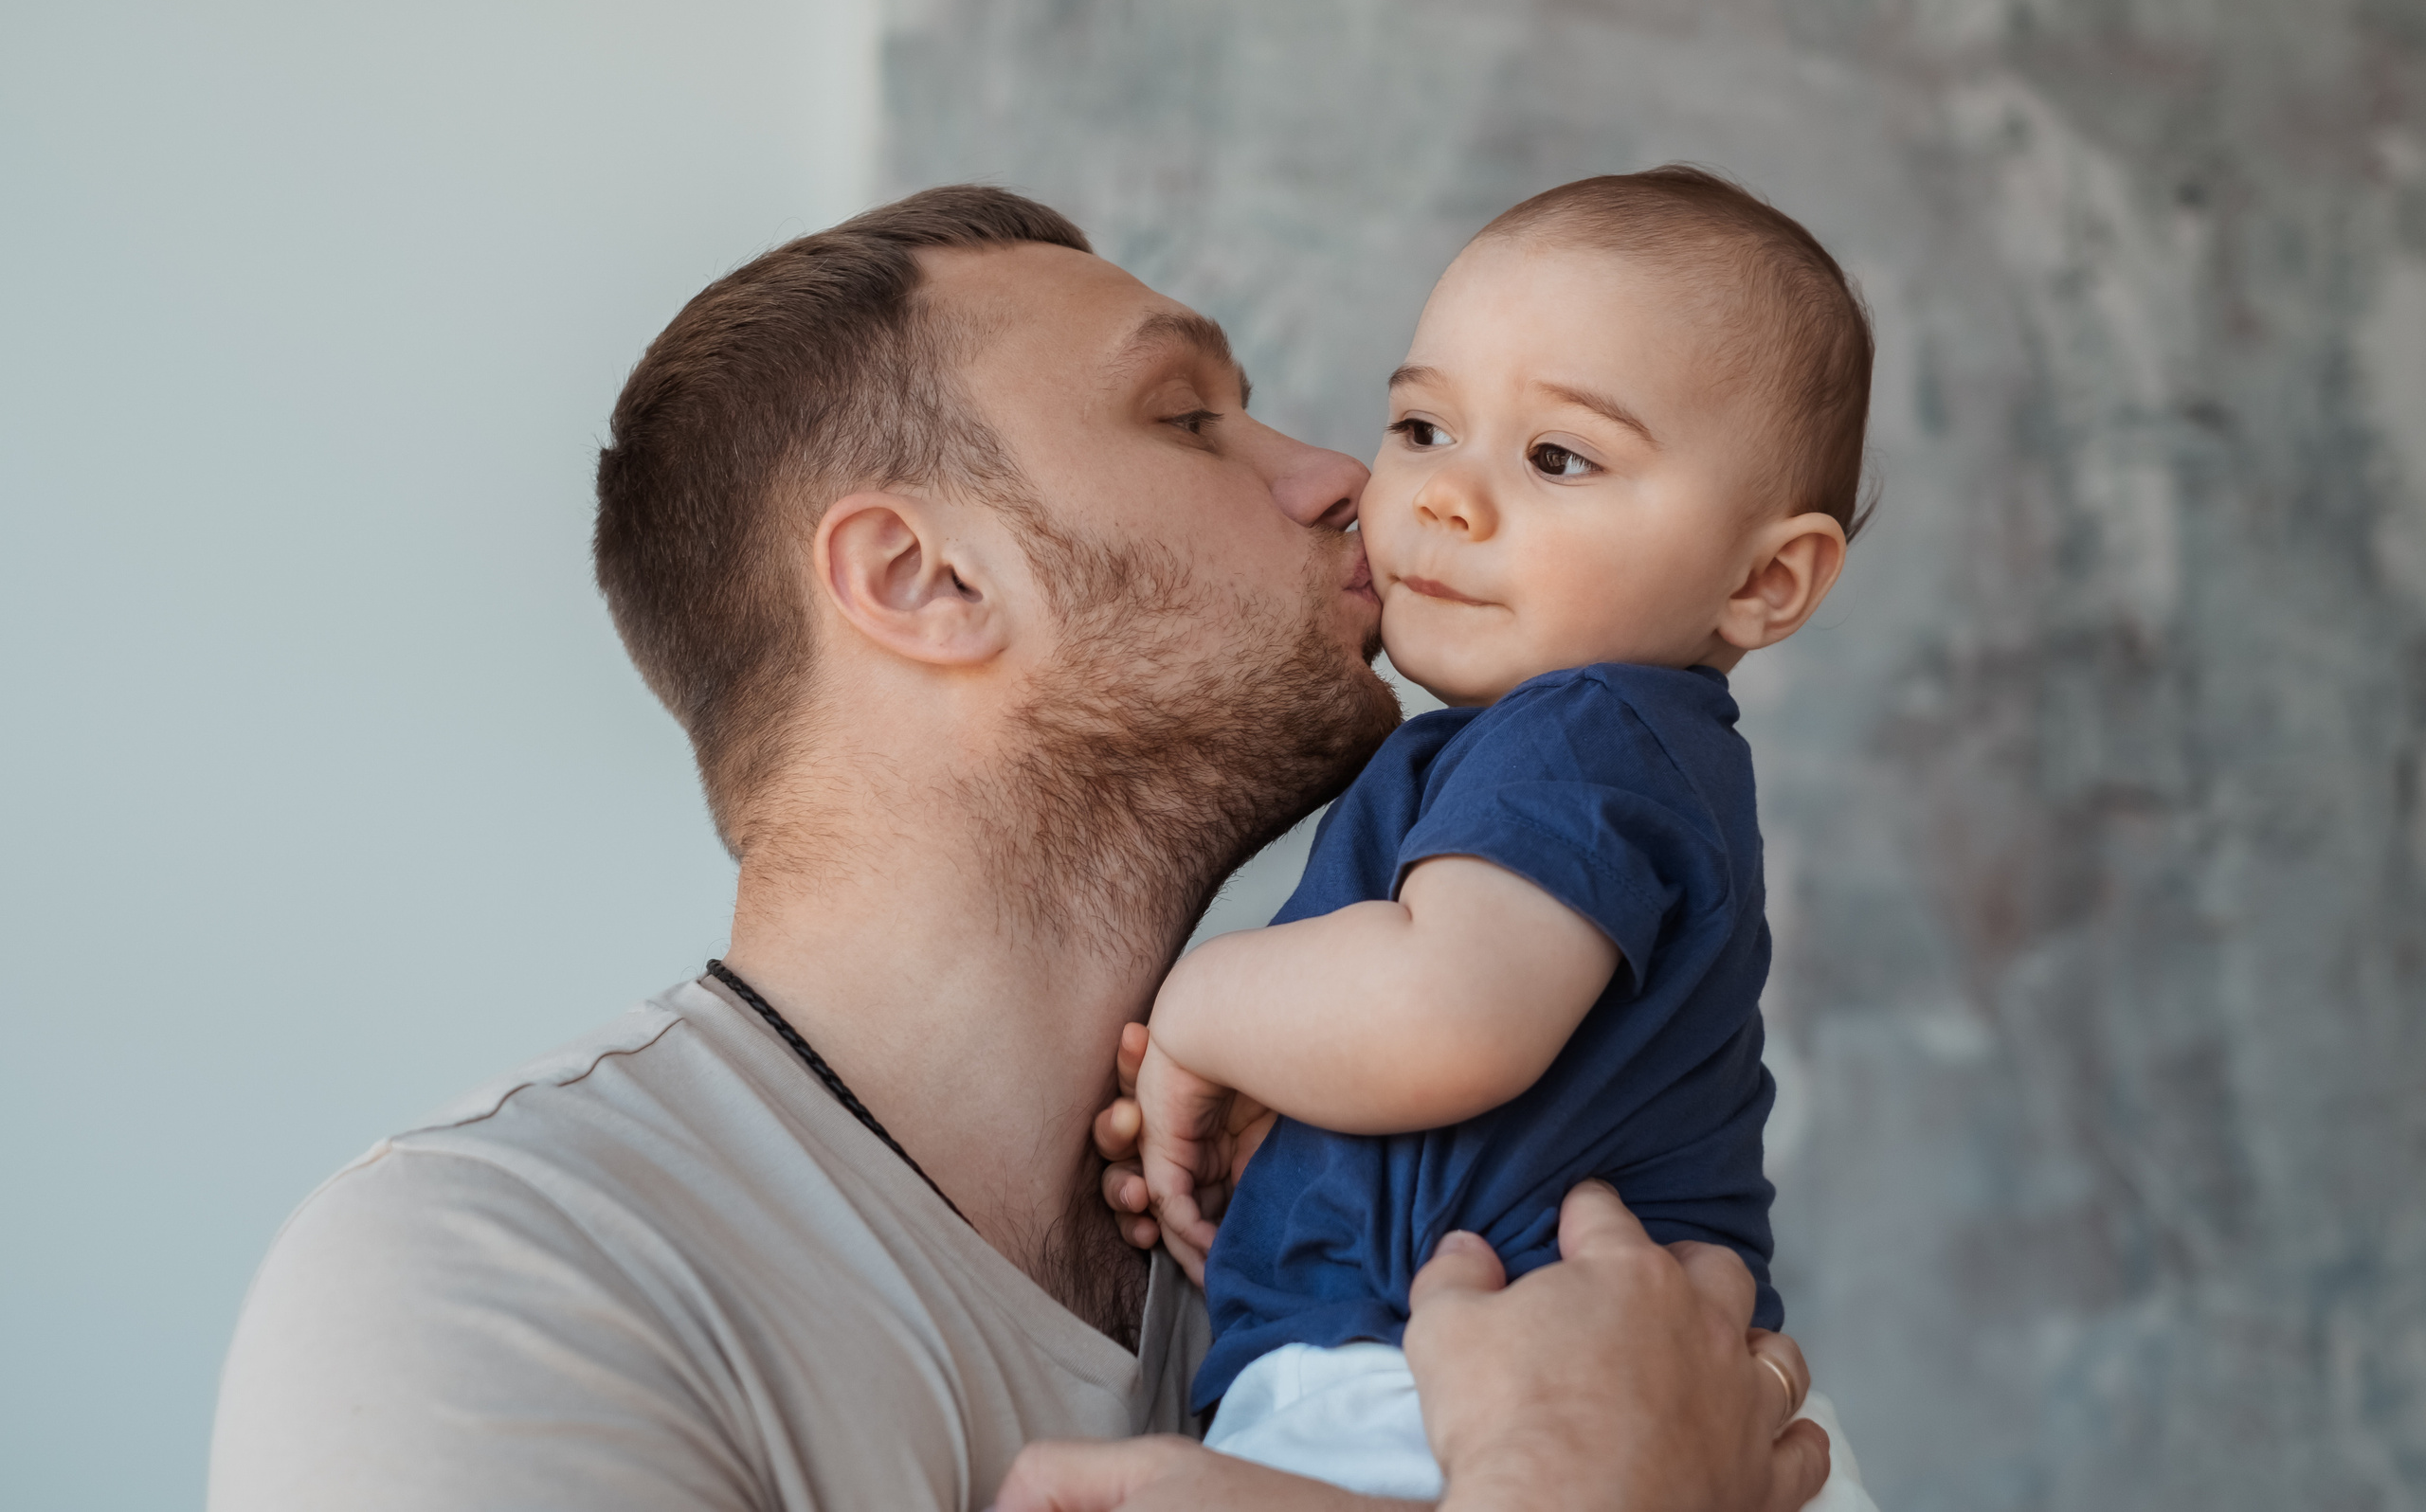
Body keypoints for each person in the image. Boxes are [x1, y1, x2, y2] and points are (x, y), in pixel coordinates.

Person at [207, 187, 1832, 1511]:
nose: (1345, 481)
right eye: (1189, 417)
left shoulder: (1396, 1199)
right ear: (923, 579)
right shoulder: (495, 1282)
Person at [1091, 169, 1874, 1504]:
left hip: (1478, 1389)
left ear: (1762, 580)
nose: (1447, 499)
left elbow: (1445, 1013)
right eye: (1420, 426)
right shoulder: (1559, 749)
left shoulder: (1590, 732)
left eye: (1557, 456)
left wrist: (1203, 1011)